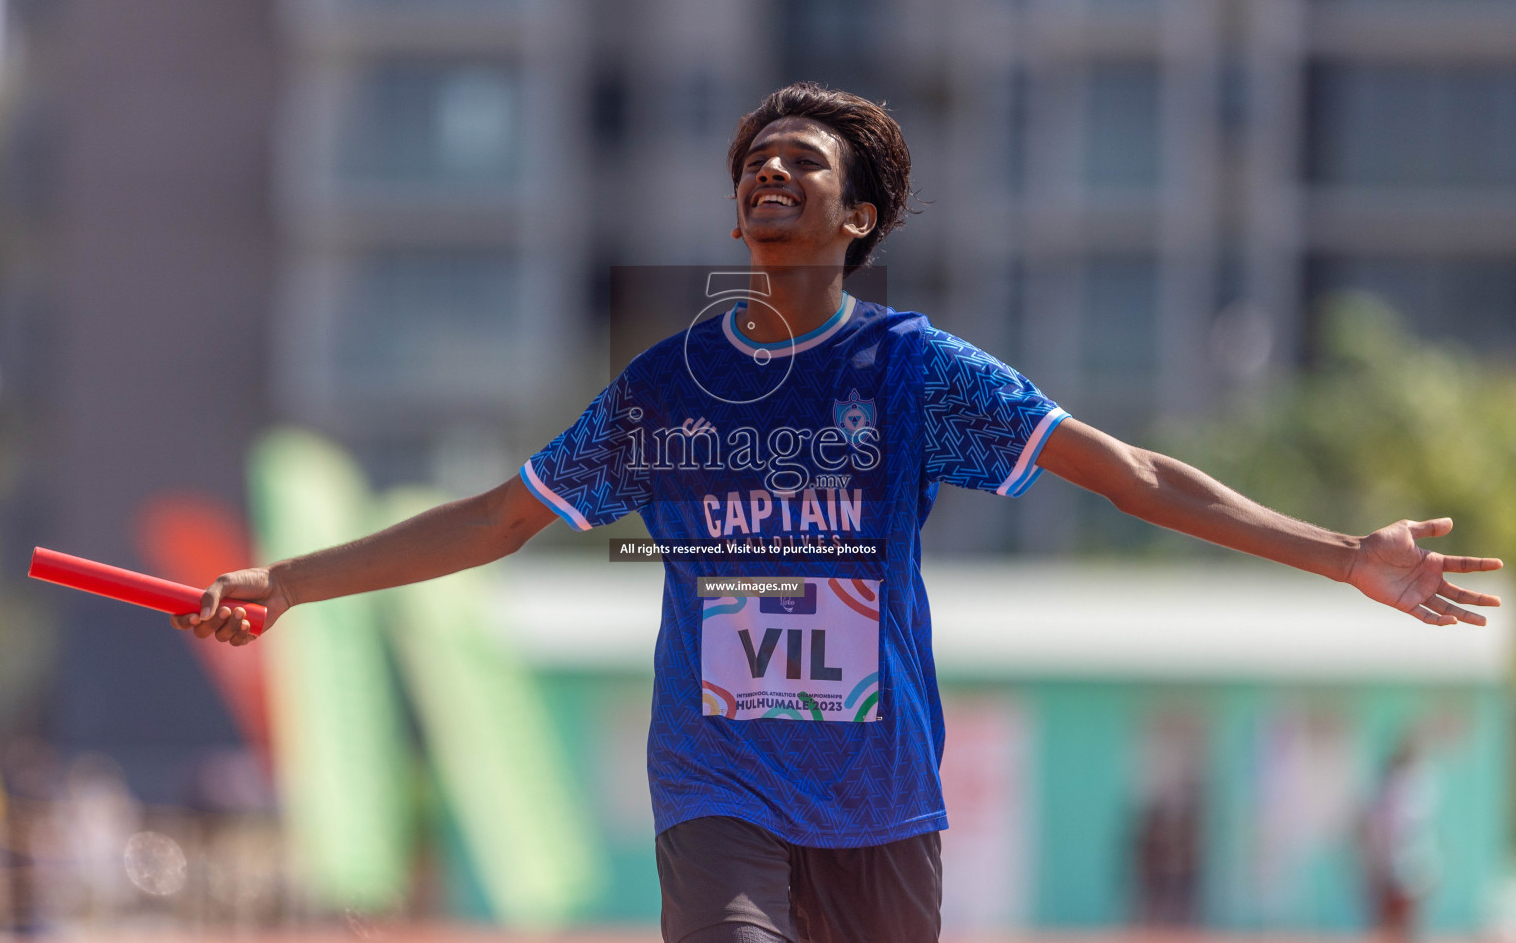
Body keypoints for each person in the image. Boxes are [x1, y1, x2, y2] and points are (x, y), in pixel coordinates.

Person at [175, 83, 1502, 943]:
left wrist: (1341, 557)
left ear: (857, 215)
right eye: (753, 160)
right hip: (718, 785)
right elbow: (489, 521)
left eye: (799, 163)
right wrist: (288, 580)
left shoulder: (921, 375)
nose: (767, 172)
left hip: (880, 802)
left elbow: (1133, 473)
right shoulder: (668, 386)